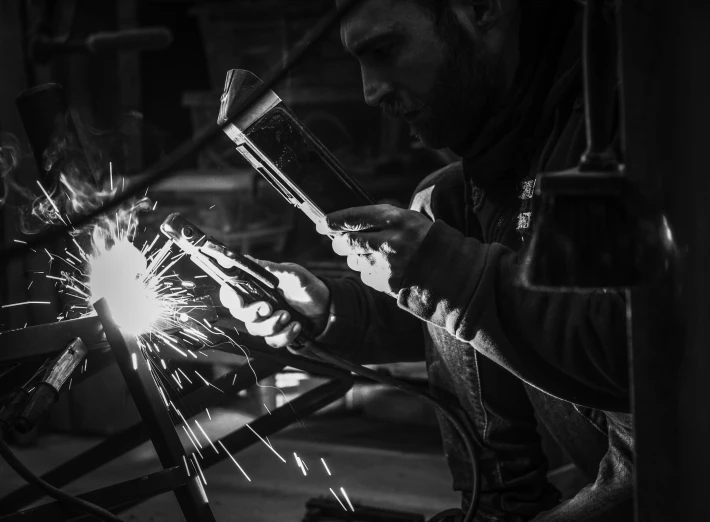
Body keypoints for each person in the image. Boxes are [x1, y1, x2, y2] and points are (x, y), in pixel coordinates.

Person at [221, 0, 634, 520]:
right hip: (601, 441)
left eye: (385, 51)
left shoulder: (627, 108)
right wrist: (331, 308)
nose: (370, 91)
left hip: (674, 468)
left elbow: (636, 359)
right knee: (442, 203)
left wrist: (441, 269)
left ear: (484, 8)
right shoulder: (503, 147)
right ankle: (496, 507)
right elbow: (481, 310)